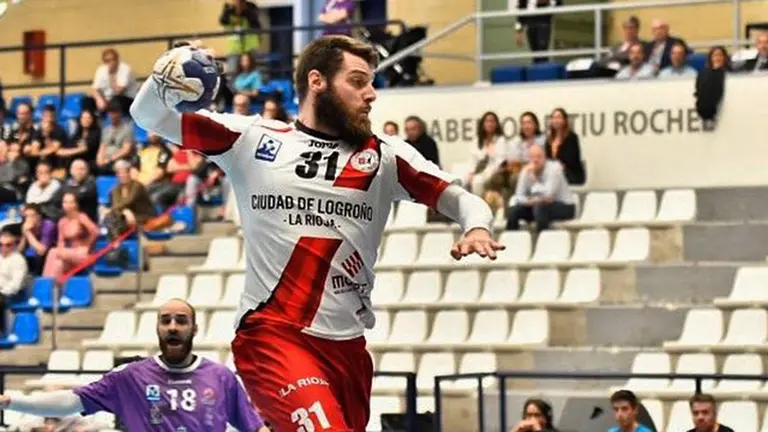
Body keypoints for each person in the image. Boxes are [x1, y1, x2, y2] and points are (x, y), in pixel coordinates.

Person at [130, 36, 501, 431]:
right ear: (317, 81)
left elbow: (460, 199)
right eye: (358, 81)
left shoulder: (386, 158)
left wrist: (477, 225)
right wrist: (170, 68)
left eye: (372, 83)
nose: (371, 94)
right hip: (272, 335)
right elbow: (148, 115)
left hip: (348, 348)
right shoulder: (252, 139)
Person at [0, 299, 268, 431]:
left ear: (194, 328)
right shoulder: (130, 377)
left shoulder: (221, 377)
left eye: (181, 320)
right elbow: (71, 402)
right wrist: (12, 401)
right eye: (166, 320)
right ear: (158, 328)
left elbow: (255, 429)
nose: (173, 326)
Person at [506, 145, 575, 232]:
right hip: (537, 205)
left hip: (565, 207)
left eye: (539, 156)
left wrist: (534, 179)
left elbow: (548, 194)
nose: (535, 160)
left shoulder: (554, 168)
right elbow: (519, 195)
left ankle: (542, 242)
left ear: (545, 157)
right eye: (532, 157)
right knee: (514, 211)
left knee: (540, 209)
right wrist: (530, 201)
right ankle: (512, 243)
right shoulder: (526, 171)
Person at [42, 192, 99, 281]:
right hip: (69, 254)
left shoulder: (81, 217)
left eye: (70, 202)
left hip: (83, 254)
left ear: (75, 204)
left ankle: (45, 284)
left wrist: (87, 245)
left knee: (53, 251)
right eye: (65, 202)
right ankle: (53, 290)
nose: (67, 205)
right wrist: (61, 253)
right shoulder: (62, 222)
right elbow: (61, 243)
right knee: (58, 264)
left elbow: (95, 231)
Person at [545, 108, 585, 185]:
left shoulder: (572, 137)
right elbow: (547, 159)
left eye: (559, 117)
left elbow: (571, 160)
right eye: (554, 118)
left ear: (564, 120)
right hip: (553, 174)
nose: (556, 120)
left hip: (571, 173)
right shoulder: (549, 139)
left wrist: (556, 168)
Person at [0, 231, 27, 337]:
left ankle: (2, 332)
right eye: (0, 244)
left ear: (14, 245)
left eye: (8, 245)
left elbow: (15, 285)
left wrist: (2, 291)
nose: (3, 247)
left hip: (11, 294)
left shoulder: (19, 261)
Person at [18, 203, 57, 275]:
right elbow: (19, 251)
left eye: (32, 216)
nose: (29, 219)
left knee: (39, 256)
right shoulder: (26, 227)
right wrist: (24, 235)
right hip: (33, 256)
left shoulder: (48, 226)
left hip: (49, 256)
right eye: (27, 216)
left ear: (39, 216)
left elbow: (42, 250)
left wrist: (28, 233)